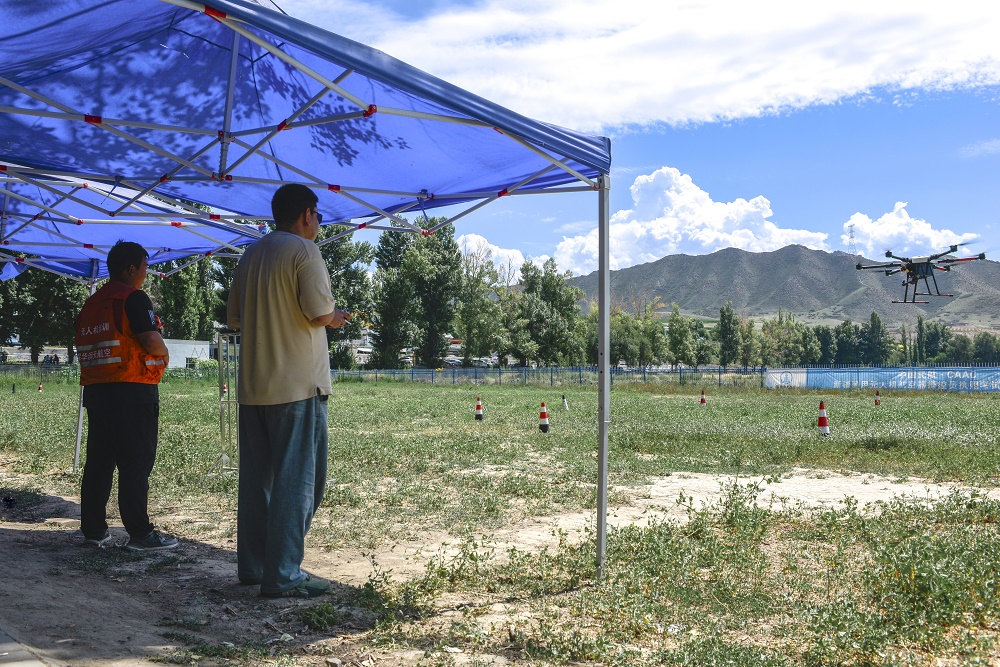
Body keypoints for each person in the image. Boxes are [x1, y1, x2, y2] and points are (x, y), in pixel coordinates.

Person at [227, 183, 348, 598]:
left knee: (257, 482)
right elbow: (318, 314)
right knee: (300, 481)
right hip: (297, 384)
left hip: (254, 386)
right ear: (306, 215)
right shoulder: (304, 251)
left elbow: (237, 318)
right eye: (318, 216)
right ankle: (283, 573)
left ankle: (255, 565)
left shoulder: (251, 254)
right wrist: (337, 317)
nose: (317, 224)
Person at [75, 240, 177, 552]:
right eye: (145, 268)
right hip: (132, 390)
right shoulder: (132, 297)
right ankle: (141, 534)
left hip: (97, 391)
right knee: (135, 463)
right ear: (132, 268)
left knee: (99, 463)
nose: (145, 275)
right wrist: (164, 351)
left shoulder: (92, 304)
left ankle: (93, 530)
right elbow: (150, 339)